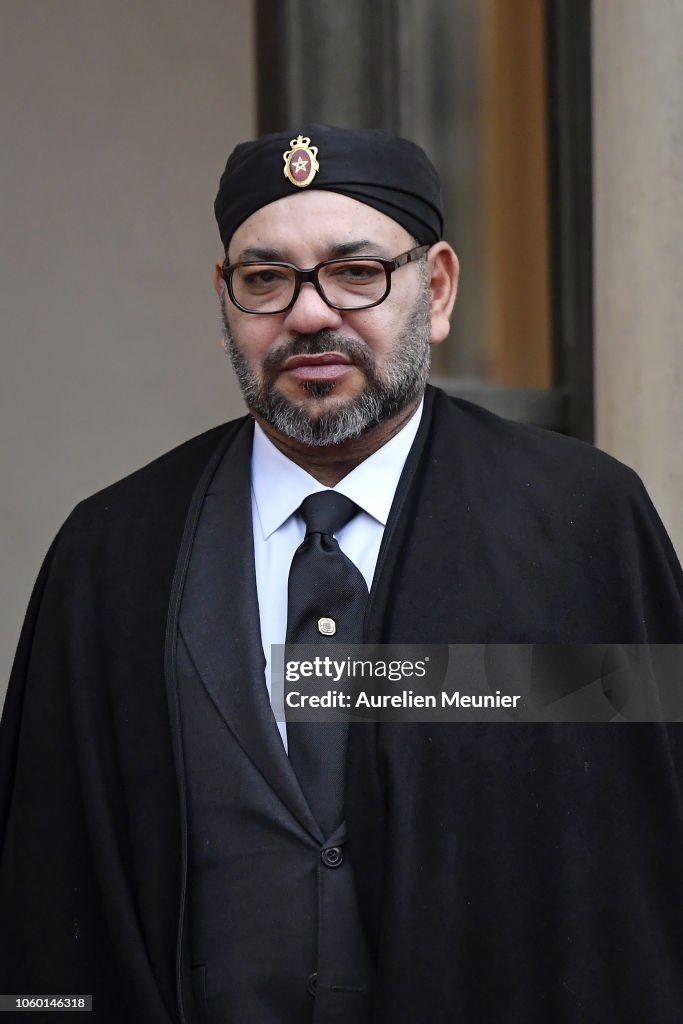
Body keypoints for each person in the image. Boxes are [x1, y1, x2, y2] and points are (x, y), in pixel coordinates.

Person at [1, 124, 682, 1024]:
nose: (310, 313)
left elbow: (644, 856)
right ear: (225, 298)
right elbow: (47, 889)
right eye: (265, 279)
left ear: (434, 288)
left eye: (357, 272)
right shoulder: (112, 556)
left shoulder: (575, 528)